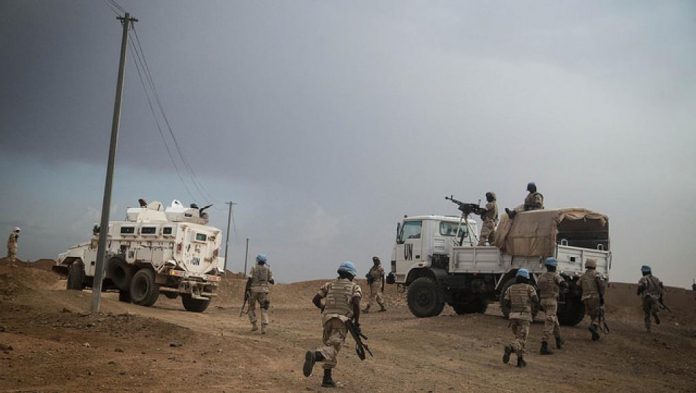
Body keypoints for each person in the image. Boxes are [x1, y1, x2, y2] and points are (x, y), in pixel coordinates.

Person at [303, 261, 362, 388]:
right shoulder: (354, 287)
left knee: (328, 346)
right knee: (332, 349)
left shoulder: (329, 285)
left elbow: (315, 300)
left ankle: (327, 379)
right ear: (351, 275)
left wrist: (323, 307)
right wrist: (357, 322)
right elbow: (356, 303)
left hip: (327, 320)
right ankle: (315, 355)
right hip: (341, 321)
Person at [502, 268, 538, 368]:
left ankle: (520, 361)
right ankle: (511, 348)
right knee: (521, 339)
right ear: (527, 278)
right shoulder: (529, 288)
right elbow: (536, 299)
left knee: (518, 338)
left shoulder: (510, 288)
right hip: (524, 316)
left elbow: (505, 302)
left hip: (513, 317)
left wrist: (512, 309)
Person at [537, 257, 567, 354]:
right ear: (554, 266)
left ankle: (558, 340)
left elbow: (537, 287)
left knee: (554, 320)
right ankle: (544, 345)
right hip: (552, 301)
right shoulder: (556, 276)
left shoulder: (541, 276)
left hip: (543, 301)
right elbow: (563, 284)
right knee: (550, 322)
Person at [246, 254, 275, 334]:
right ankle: (264, 327)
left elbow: (249, 279)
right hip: (264, 290)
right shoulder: (267, 269)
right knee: (264, 308)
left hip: (253, 290)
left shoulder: (253, 268)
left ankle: (254, 324)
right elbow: (272, 281)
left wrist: (246, 290)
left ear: (257, 261)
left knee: (251, 308)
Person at [578, 259, 605, 341]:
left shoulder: (583, 276)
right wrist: (601, 296)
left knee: (593, 315)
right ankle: (593, 326)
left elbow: (578, 286)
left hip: (585, 298)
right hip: (594, 297)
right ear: (594, 265)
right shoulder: (596, 274)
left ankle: (594, 335)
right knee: (599, 313)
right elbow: (600, 285)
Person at [637, 265, 663, 332]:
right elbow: (660, 289)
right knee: (653, 310)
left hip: (646, 297)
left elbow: (641, 286)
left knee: (647, 313)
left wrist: (638, 292)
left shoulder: (643, 278)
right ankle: (654, 313)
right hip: (655, 298)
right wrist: (661, 299)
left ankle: (648, 328)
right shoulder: (656, 279)